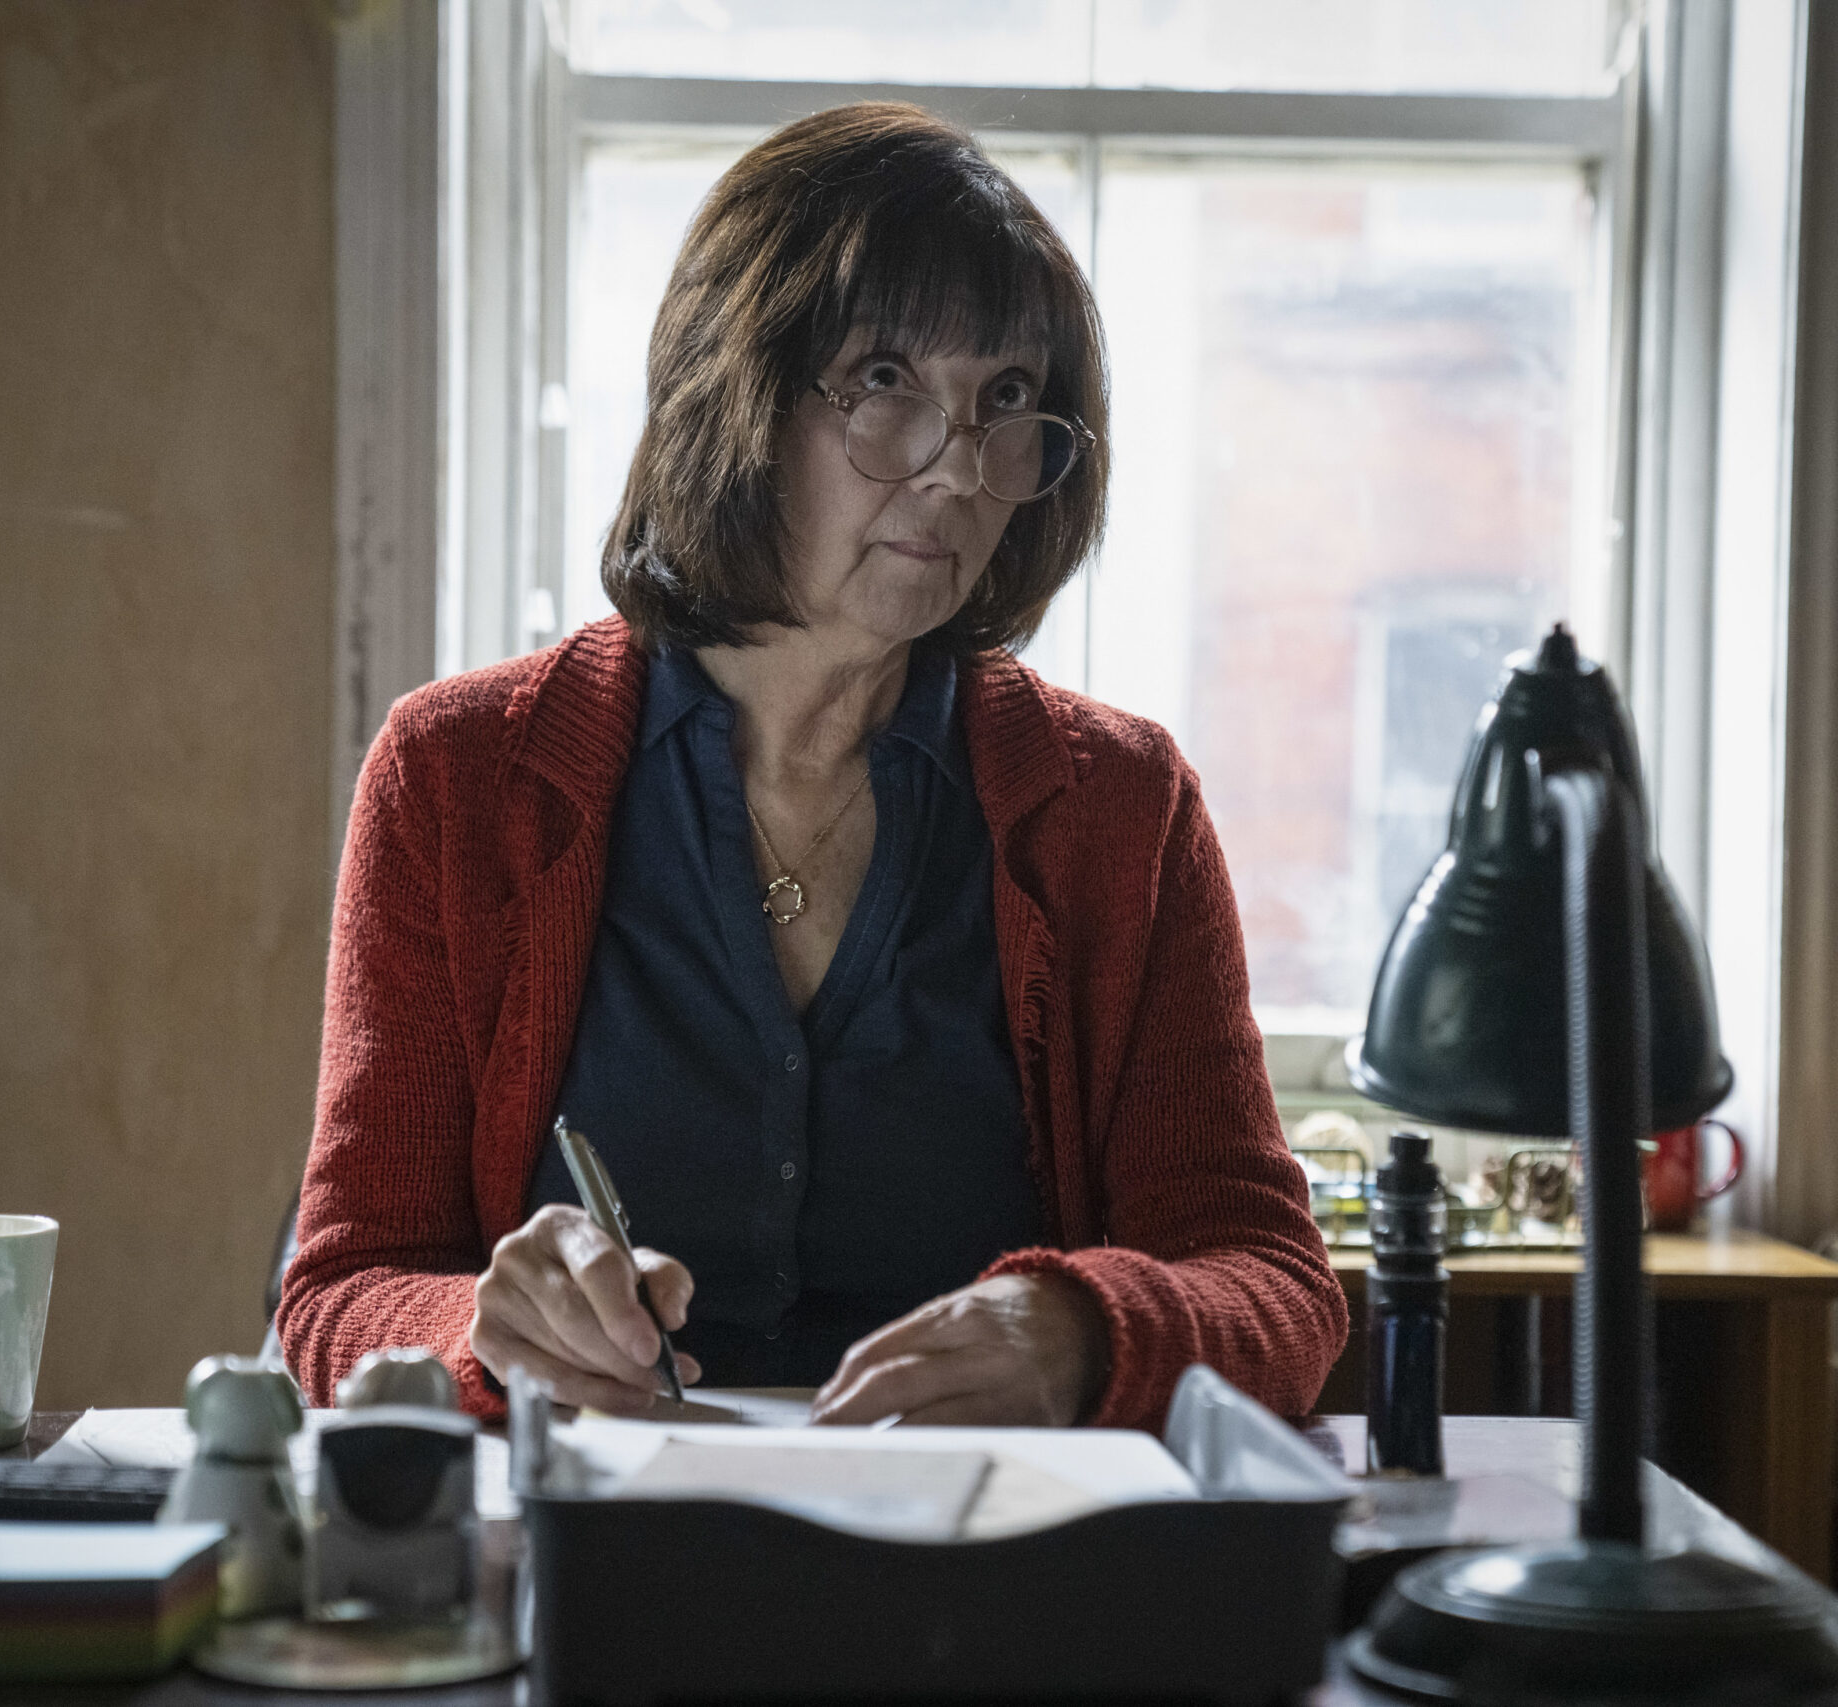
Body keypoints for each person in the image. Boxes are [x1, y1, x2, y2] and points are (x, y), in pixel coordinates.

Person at [277, 102, 1344, 1430]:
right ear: (737, 398)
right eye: (887, 380)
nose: (957, 471)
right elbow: (335, 1297)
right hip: (594, 1563)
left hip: (985, 1559)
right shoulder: (458, 778)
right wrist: (484, 1330)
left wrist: (1084, 1330)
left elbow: (1277, 1287)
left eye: (1005, 400)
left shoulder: (1121, 808)